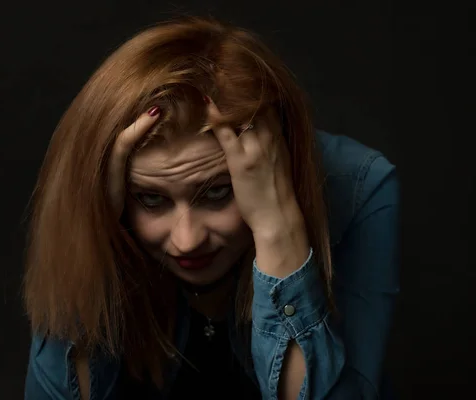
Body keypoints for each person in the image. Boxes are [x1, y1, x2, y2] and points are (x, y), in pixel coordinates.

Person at [23, 16, 399, 400]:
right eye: (151, 199)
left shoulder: (360, 188)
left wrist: (277, 229)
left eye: (218, 192)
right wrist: (90, 231)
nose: (187, 242)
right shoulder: (104, 203)